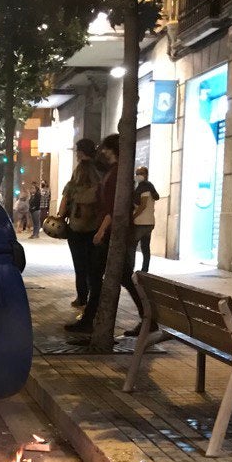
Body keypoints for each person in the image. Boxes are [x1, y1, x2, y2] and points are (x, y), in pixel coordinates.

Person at [67, 135, 143, 335]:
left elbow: (114, 208)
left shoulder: (117, 173)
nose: (102, 151)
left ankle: (90, 320)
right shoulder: (113, 172)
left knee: (96, 273)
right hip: (112, 231)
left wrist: (101, 231)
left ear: (112, 150)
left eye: (106, 148)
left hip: (111, 233)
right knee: (120, 276)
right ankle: (146, 317)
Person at [57, 138, 100, 311]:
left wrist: (61, 215)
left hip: (77, 226)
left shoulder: (79, 173)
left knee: (80, 264)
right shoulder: (100, 170)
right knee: (93, 266)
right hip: (95, 226)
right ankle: (93, 299)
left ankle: (82, 296)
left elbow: (65, 202)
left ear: (81, 153)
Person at [132, 166, 160, 273]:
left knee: (132, 246)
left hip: (141, 222)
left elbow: (142, 205)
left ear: (146, 175)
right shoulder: (149, 188)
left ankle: (132, 268)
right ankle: (145, 270)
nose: (138, 175)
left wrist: (133, 216)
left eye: (141, 173)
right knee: (145, 247)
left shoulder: (145, 188)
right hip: (149, 222)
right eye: (137, 173)